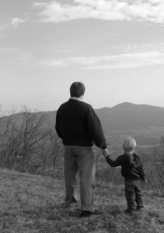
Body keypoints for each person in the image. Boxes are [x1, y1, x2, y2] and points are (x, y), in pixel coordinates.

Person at [55, 82, 107, 217]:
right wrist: (103, 145)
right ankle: (87, 208)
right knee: (86, 178)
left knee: (69, 177)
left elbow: (58, 129)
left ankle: (70, 203)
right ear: (83, 93)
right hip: (84, 149)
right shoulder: (86, 108)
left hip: (68, 147)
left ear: (70, 92)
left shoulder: (62, 108)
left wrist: (66, 139)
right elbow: (96, 129)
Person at [103, 137, 146, 215]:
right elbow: (140, 168)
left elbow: (113, 164)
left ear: (124, 147)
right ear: (134, 147)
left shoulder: (122, 158)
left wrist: (107, 157)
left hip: (129, 180)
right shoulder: (137, 157)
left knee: (130, 195)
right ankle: (140, 207)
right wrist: (143, 177)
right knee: (138, 194)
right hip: (137, 180)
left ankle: (131, 209)